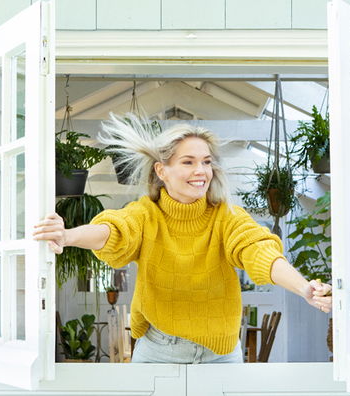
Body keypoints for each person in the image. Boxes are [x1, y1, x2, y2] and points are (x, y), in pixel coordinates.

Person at [33, 114, 332, 364]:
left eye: (206, 162)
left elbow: (259, 252)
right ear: (162, 170)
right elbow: (114, 231)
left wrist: (304, 288)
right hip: (157, 351)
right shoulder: (145, 215)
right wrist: (68, 235)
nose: (201, 171)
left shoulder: (226, 217)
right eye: (188, 162)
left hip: (221, 356)